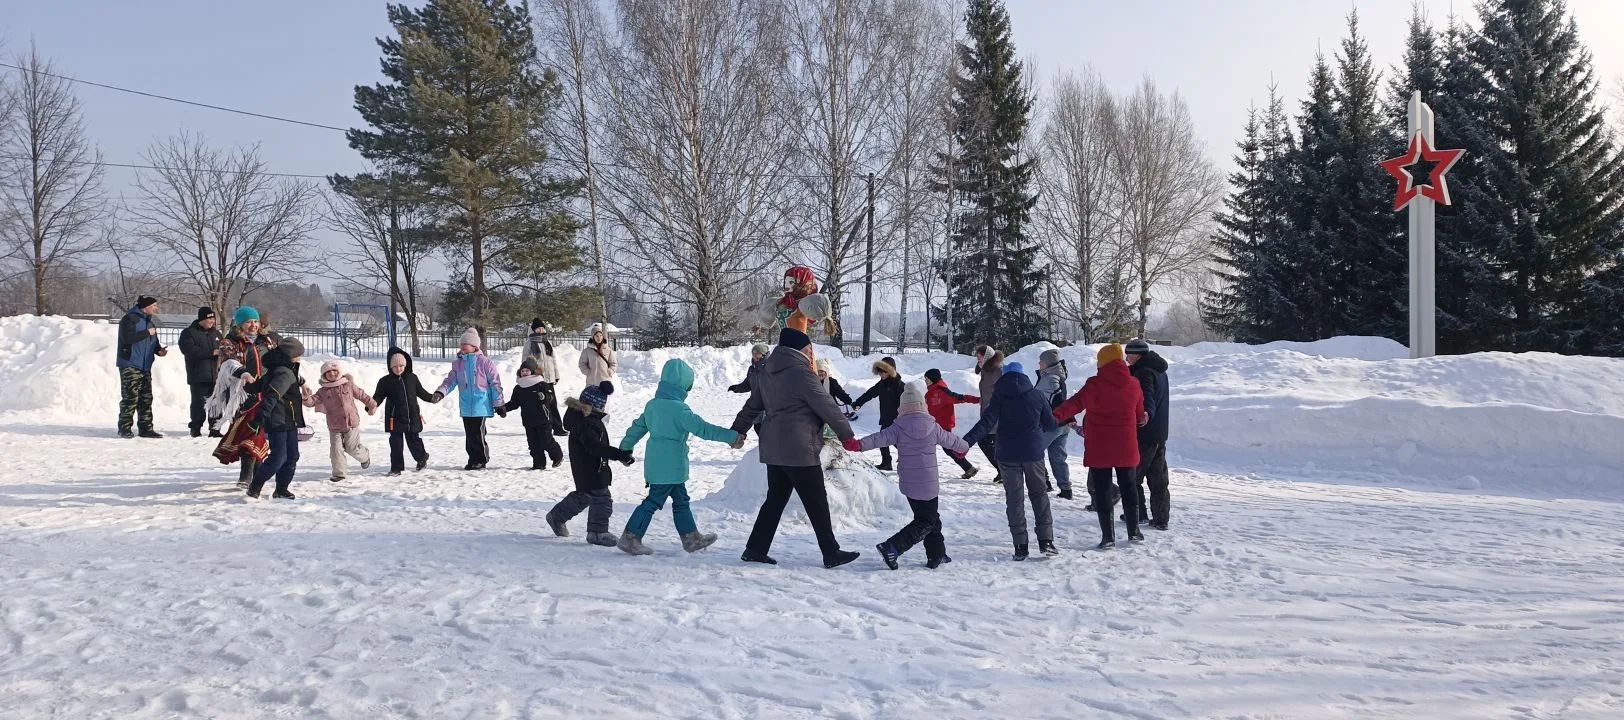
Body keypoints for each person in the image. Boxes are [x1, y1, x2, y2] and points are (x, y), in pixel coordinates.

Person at [730, 328, 862, 569]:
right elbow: (827, 405)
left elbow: (753, 405)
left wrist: (738, 430)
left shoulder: (766, 372)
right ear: (801, 349)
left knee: (775, 499)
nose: (811, 353)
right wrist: (847, 435)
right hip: (800, 449)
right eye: (809, 348)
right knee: (816, 501)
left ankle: (755, 549)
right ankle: (831, 552)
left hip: (774, 448)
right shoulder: (802, 374)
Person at [616, 359, 744, 555]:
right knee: (653, 501)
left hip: (657, 464)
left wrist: (625, 449)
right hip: (672, 465)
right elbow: (703, 429)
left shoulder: (652, 405)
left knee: (681, 500)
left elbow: (637, 428)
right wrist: (732, 437)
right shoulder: (680, 410)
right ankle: (630, 537)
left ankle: (691, 538)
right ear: (683, 385)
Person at [845, 382, 969, 570]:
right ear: (923, 406)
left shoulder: (897, 427)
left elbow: (878, 438)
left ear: (902, 408)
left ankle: (937, 555)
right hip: (928, 483)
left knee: (930, 517)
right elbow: (955, 442)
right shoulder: (933, 426)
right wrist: (963, 449)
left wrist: (858, 445)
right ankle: (892, 547)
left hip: (909, 483)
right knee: (926, 520)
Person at [1054, 344, 1148, 550]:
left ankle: (1108, 537)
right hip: (1126, 445)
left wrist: (1052, 416)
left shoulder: (1095, 384)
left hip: (1100, 446)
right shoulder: (1134, 384)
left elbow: (1074, 404)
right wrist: (1142, 417)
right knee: (1129, 486)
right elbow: (1140, 414)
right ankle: (1134, 531)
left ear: (1104, 361)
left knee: (1103, 490)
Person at [963, 362, 1060, 561]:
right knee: (1039, 494)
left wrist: (965, 442)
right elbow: (1050, 425)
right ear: (1024, 376)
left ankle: (1020, 546)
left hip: (1007, 454)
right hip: (1032, 453)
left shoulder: (999, 397)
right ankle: (1046, 541)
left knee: (1014, 499)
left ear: (1004, 377)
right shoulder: (1037, 395)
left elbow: (986, 423)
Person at [546, 381, 633, 547]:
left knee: (584, 496)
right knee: (602, 499)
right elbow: (595, 447)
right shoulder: (588, 423)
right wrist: (619, 455)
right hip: (592, 469)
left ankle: (556, 517)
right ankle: (597, 533)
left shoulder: (582, 419)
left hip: (585, 468)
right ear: (597, 406)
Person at [244, 338, 307, 499]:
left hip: (289, 419)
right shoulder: (284, 372)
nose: (300, 357)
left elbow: (260, 385)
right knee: (279, 457)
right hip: (278, 420)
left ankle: (281, 489)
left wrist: (250, 385)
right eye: (298, 354)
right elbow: (272, 395)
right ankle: (255, 487)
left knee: (292, 456)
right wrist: (260, 418)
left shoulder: (282, 368)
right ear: (290, 355)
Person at [433, 328, 504, 470]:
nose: (462, 346)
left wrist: (499, 403)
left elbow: (495, 383)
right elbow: (450, 381)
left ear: (474, 346)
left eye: (466, 343)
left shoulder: (485, 363)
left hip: (481, 405)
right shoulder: (458, 364)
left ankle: (481, 459)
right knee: (470, 435)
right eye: (461, 344)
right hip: (466, 405)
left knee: (478, 434)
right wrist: (440, 392)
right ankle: (472, 459)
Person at [217, 307, 271, 487]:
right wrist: (243, 373)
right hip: (242, 394)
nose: (253, 325)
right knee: (250, 431)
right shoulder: (229, 342)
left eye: (255, 321)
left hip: (267, 392)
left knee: (258, 432)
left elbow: (280, 361)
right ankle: (248, 475)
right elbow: (228, 361)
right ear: (240, 324)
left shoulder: (267, 341)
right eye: (248, 322)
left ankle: (254, 475)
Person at [1125, 339, 1171, 531]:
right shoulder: (1159, 370)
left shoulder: (1143, 372)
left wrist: (1146, 414)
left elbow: (1147, 396)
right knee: (1158, 478)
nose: (1126, 358)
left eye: (1128, 354)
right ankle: (1161, 518)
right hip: (1159, 432)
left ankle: (1138, 514)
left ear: (1137, 355)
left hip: (1144, 432)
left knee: (1133, 476)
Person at [308, 360, 378, 482]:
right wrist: (305, 396)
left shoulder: (348, 385)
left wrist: (372, 405)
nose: (332, 374)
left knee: (351, 448)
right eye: (328, 372)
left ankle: (364, 456)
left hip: (351, 423)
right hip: (334, 425)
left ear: (340, 372)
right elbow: (311, 402)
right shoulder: (323, 391)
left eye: (335, 371)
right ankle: (339, 473)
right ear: (324, 375)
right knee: (336, 450)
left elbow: (362, 395)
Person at [373, 347, 436, 476]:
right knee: (396, 444)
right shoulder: (385, 381)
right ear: (390, 367)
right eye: (395, 366)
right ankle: (396, 468)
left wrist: (432, 398)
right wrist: (371, 405)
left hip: (412, 416)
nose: (398, 369)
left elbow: (421, 392)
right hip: (394, 418)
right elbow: (378, 396)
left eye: (401, 366)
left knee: (414, 441)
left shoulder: (412, 378)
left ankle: (422, 457)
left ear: (405, 365)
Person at [115, 295, 168, 439]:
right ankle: (124, 428)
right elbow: (128, 338)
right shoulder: (130, 319)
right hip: (130, 364)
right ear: (146, 307)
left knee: (146, 399)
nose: (156, 308)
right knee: (130, 397)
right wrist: (147, 333)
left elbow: (154, 343)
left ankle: (146, 429)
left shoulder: (150, 323)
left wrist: (159, 351)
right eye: (154, 306)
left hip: (145, 366)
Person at [499, 359, 564, 470]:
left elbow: (550, 398)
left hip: (544, 419)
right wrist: (503, 409)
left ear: (533, 371)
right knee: (533, 444)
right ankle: (539, 464)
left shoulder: (541, 384)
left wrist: (544, 397)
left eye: (527, 370)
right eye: (523, 371)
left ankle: (557, 456)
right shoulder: (519, 387)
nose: (524, 373)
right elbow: (514, 403)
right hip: (529, 421)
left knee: (546, 441)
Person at [923, 368, 980, 479]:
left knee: (946, 449)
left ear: (932, 379)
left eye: (927, 378)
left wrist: (978, 400)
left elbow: (961, 398)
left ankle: (969, 468)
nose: (925, 381)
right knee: (934, 447)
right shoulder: (929, 393)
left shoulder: (943, 392)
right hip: (933, 425)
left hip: (943, 426)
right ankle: (968, 468)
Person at [852, 356, 904, 471]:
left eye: (884, 371)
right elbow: (870, 394)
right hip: (886, 418)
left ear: (891, 371)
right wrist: (858, 403)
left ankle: (903, 460)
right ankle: (888, 462)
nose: (881, 374)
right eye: (880, 371)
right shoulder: (882, 384)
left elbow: (906, 403)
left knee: (891, 440)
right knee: (886, 440)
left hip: (897, 419)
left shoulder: (899, 385)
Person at [178, 307, 224, 438]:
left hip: (216, 375)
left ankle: (215, 428)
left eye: (213, 318)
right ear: (202, 319)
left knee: (216, 402)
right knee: (199, 404)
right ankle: (196, 428)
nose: (212, 321)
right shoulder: (189, 333)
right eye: (209, 319)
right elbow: (189, 350)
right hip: (198, 374)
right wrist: (211, 353)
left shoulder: (216, 334)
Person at [1034, 349, 1071, 498]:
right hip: (1062, 425)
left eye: (1041, 361)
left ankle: (1044, 483)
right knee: (1058, 457)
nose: (1039, 363)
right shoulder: (1058, 375)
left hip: (1050, 424)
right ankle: (1066, 489)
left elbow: (1057, 399)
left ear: (1048, 364)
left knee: (1034, 451)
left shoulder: (1050, 378)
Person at [521, 318, 566, 436]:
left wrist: (556, 375)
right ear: (533, 330)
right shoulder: (529, 343)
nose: (541, 330)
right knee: (541, 404)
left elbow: (553, 360)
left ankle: (558, 428)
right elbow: (525, 361)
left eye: (542, 328)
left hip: (549, 379)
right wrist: (528, 376)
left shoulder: (547, 342)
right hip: (537, 380)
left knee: (552, 403)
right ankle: (543, 427)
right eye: (538, 329)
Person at [972, 345, 1004, 483]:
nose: (978, 360)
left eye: (979, 357)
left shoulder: (998, 370)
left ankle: (1004, 471)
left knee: (985, 441)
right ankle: (1003, 471)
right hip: (988, 412)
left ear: (986, 357)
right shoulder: (986, 370)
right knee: (994, 443)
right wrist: (983, 400)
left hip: (997, 414)